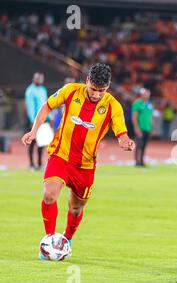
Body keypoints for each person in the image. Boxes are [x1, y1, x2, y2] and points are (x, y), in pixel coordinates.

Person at [21, 63, 135, 260]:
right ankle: (49, 241)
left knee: (76, 209)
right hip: (61, 155)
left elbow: (121, 132)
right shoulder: (71, 91)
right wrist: (34, 131)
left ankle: (67, 239)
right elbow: (47, 106)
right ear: (87, 81)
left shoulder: (112, 105)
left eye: (102, 91)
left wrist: (125, 142)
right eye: (94, 89)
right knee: (49, 195)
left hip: (85, 166)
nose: (97, 94)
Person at [25, 72, 48, 170]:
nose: (39, 80)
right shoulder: (30, 90)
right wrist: (31, 121)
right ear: (33, 79)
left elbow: (47, 104)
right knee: (32, 142)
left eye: (41, 78)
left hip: (43, 120)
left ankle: (39, 164)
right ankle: (31, 164)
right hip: (33, 120)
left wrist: (49, 117)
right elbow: (30, 106)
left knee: (41, 142)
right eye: (38, 78)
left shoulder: (43, 90)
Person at [132, 87, 155, 166]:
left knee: (144, 145)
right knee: (139, 145)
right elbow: (134, 116)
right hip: (140, 127)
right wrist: (136, 127)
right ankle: (137, 161)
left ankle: (141, 161)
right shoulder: (137, 103)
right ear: (142, 94)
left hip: (147, 128)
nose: (146, 95)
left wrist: (152, 127)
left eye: (147, 93)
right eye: (145, 93)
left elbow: (151, 116)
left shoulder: (149, 104)